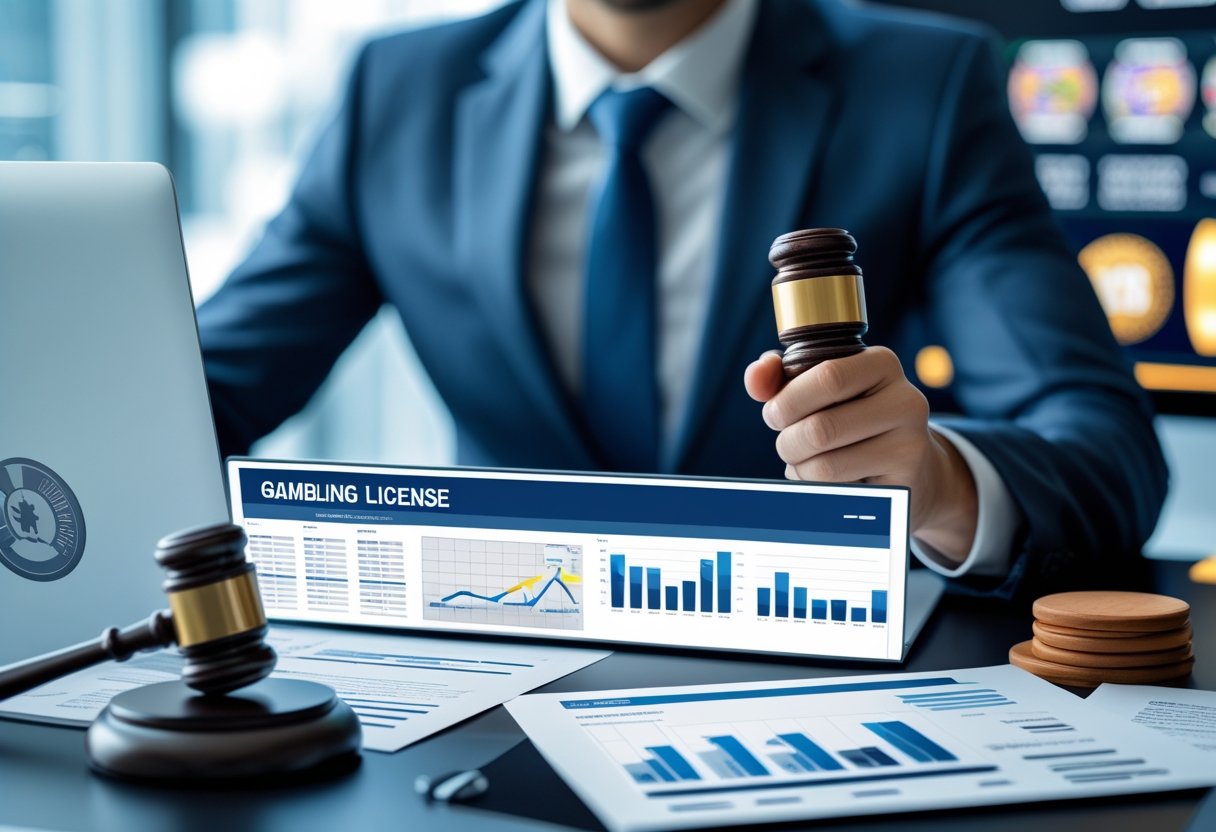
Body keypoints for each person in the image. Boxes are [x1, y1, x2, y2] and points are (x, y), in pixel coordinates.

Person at [197, 0, 1168, 598]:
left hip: (802, 678)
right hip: (487, 674)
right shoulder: (397, 89)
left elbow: (1103, 452)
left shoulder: (918, 85)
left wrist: (937, 482)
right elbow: (203, 396)